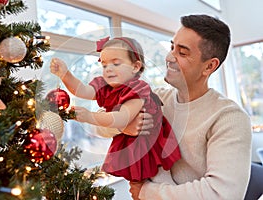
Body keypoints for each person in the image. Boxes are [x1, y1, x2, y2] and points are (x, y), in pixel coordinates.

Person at [125, 14, 252, 199]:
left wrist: (146, 192)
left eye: (182, 53)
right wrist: (124, 124)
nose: (169, 57)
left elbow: (222, 194)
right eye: (171, 47)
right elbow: (101, 121)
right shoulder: (157, 98)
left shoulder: (229, 118)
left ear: (209, 66)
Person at [49, 37, 181, 188]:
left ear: (135, 67)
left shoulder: (138, 89)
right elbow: (83, 90)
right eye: (104, 65)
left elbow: (122, 118)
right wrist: (65, 75)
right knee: (137, 187)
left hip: (150, 148)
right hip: (132, 145)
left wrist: (90, 117)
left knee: (159, 183)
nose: (108, 69)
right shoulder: (107, 87)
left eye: (116, 63)